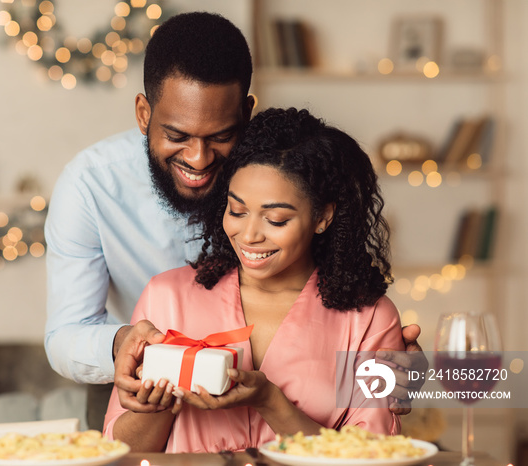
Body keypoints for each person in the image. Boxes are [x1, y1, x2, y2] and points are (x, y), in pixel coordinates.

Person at [44, 11, 426, 431]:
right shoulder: (91, 185)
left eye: (220, 137)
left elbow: (371, 438)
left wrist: (385, 360)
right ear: (143, 114)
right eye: (177, 136)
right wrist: (129, 344)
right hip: (132, 377)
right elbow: (67, 332)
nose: (198, 158)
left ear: (246, 114)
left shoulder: (276, 167)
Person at [104, 107, 405, 452]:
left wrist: (270, 402)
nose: (248, 235)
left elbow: (378, 457)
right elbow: (115, 450)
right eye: (237, 211)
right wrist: (156, 404)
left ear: (323, 216)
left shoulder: (374, 319)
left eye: (275, 220)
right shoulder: (165, 296)